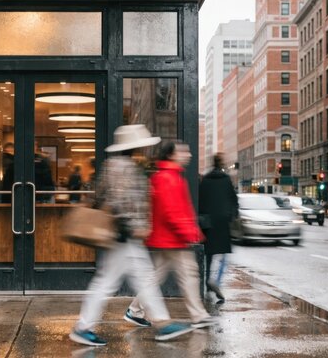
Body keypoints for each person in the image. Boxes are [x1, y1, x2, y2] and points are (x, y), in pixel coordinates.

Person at [70, 125, 193, 347]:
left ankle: (162, 323)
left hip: (121, 235)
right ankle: (83, 327)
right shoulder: (127, 169)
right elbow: (124, 204)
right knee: (108, 283)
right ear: (135, 146)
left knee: (140, 279)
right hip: (124, 236)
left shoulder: (111, 166)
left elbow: (100, 196)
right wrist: (135, 227)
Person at [125, 141, 217, 329]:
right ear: (171, 155)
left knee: (157, 276)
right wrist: (188, 233)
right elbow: (172, 211)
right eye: (184, 151)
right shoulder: (169, 177)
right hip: (173, 238)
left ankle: (134, 310)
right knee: (189, 275)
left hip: (167, 238)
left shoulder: (168, 176)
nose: (188, 154)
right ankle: (198, 315)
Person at [198, 153, 238, 304]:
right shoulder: (226, 180)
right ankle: (216, 281)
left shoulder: (205, 180)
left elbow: (200, 201)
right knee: (222, 256)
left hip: (208, 223)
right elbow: (233, 200)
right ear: (221, 164)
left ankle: (209, 285)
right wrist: (232, 215)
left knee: (209, 255)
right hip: (222, 222)